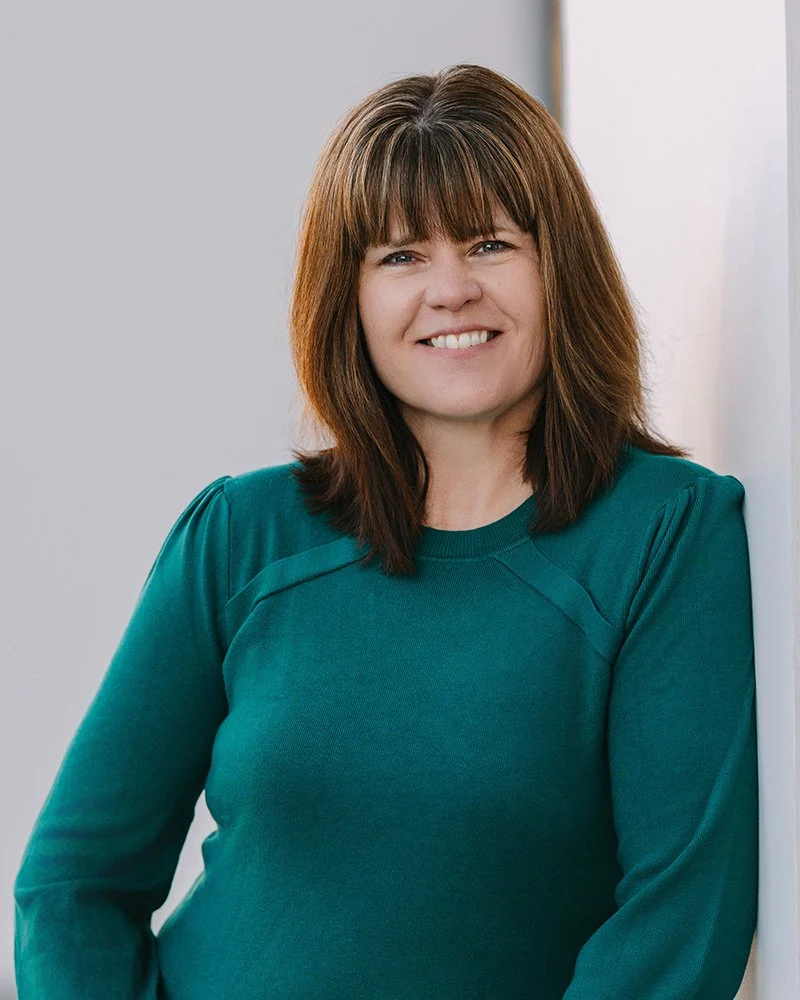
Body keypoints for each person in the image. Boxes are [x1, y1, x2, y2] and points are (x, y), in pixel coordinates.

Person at [14, 63, 759, 999]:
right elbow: (71, 887)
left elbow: (682, 915)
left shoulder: (663, 533)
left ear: (558, 265)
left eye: (490, 243)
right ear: (350, 299)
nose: (450, 291)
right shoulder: (240, 536)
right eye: (401, 256)